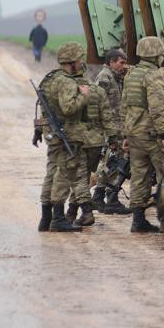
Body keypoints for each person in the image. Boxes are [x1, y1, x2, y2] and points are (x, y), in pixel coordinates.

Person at [122, 36, 164, 233]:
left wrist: (125, 134)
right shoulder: (153, 76)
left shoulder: (131, 74)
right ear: (156, 55)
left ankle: (138, 220)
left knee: (139, 177)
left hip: (135, 134)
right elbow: (157, 109)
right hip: (152, 136)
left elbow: (125, 106)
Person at [34, 42, 91, 232]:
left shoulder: (50, 78)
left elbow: (44, 109)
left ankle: (46, 218)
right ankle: (58, 218)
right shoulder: (66, 81)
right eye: (79, 60)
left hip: (53, 134)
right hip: (67, 133)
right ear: (72, 62)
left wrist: (38, 131)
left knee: (51, 173)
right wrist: (84, 95)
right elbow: (68, 108)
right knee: (63, 175)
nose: (81, 62)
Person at [67, 69, 117, 227]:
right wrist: (113, 137)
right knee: (84, 176)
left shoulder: (69, 90)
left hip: (77, 140)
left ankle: (87, 212)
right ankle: (72, 212)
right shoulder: (98, 91)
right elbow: (107, 117)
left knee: (78, 179)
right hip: (96, 142)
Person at [94, 48, 130, 214]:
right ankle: (106, 198)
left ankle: (104, 198)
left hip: (116, 127)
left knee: (113, 162)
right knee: (110, 162)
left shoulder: (114, 77)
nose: (124, 66)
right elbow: (97, 103)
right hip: (109, 128)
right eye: (121, 63)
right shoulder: (104, 77)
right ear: (111, 62)